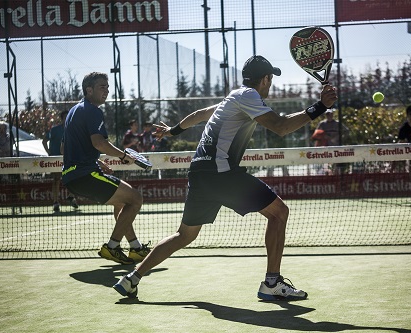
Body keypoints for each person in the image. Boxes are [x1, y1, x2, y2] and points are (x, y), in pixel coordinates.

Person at [113, 55, 337, 301]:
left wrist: (173, 130)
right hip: (221, 172)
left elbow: (199, 114)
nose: (270, 84)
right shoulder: (249, 96)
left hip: (199, 172)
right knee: (279, 213)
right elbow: (281, 127)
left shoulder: (233, 97)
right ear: (264, 79)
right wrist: (320, 106)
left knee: (184, 235)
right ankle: (272, 282)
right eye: (270, 79)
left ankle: (132, 278)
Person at [61, 72, 150, 264]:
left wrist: (97, 162)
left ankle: (136, 248)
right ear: (89, 90)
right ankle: (112, 247)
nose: (107, 91)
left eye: (107, 87)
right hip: (84, 175)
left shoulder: (74, 111)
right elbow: (99, 143)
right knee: (136, 198)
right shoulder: (92, 110)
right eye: (102, 87)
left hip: (72, 177)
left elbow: (66, 147)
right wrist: (124, 156)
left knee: (121, 203)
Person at [42, 110, 79, 212]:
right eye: (65, 117)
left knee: (73, 178)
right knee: (56, 179)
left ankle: (71, 197)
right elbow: (44, 141)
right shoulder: (54, 130)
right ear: (62, 119)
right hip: (56, 159)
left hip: (69, 159)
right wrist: (49, 153)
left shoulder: (73, 130)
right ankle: (55, 202)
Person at [310, 109, 350, 174]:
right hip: (325, 146)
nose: (329, 116)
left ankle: (335, 173)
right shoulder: (322, 124)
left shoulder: (337, 123)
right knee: (325, 161)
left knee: (336, 161)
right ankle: (327, 173)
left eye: (330, 114)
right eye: (327, 114)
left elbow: (347, 131)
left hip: (336, 146)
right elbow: (316, 134)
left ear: (332, 115)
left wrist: (340, 138)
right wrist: (323, 136)